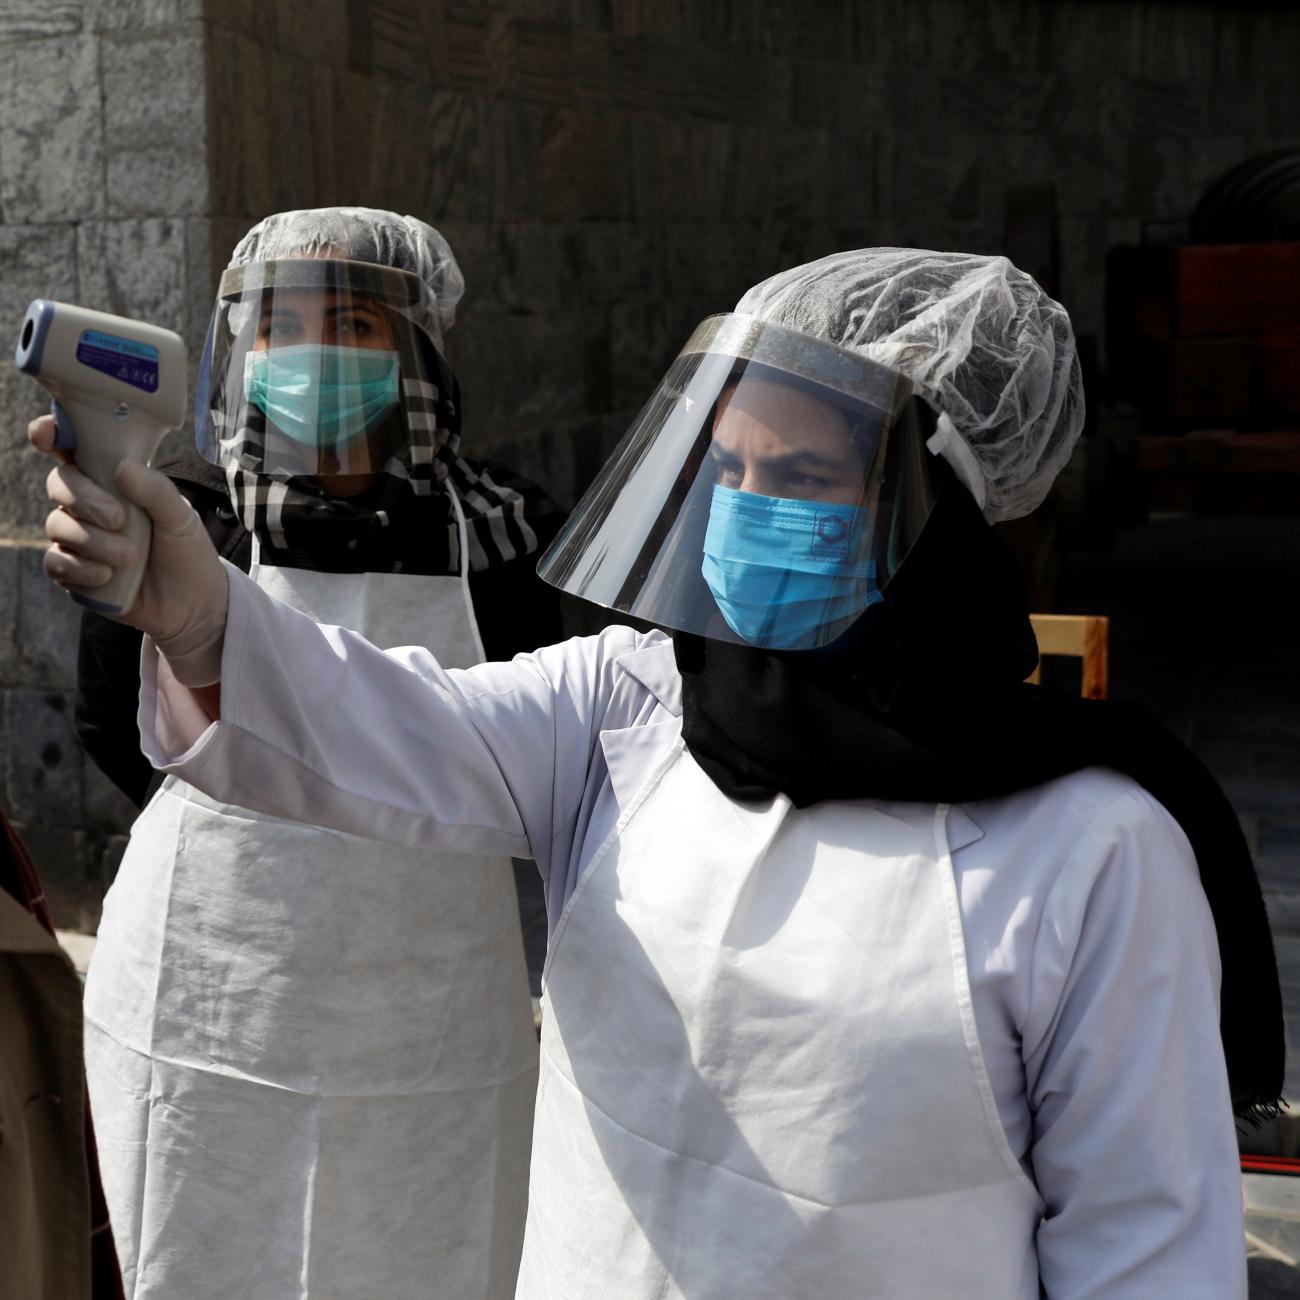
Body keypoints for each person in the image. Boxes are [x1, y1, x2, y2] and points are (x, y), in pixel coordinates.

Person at [32, 248, 1283, 1298]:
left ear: (935, 519)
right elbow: (384, 729)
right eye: (726, 471)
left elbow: (1145, 1251)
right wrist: (201, 619)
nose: (746, 509)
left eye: (798, 479)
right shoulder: (635, 702)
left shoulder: (1095, 850)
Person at [59, 208, 566, 1300]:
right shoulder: (181, 517)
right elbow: (114, 723)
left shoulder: (508, 536)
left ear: (416, 348)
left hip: (433, 1018)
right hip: (210, 997)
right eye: (282, 327)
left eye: (352, 324)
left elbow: (550, 751)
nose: (313, 354)